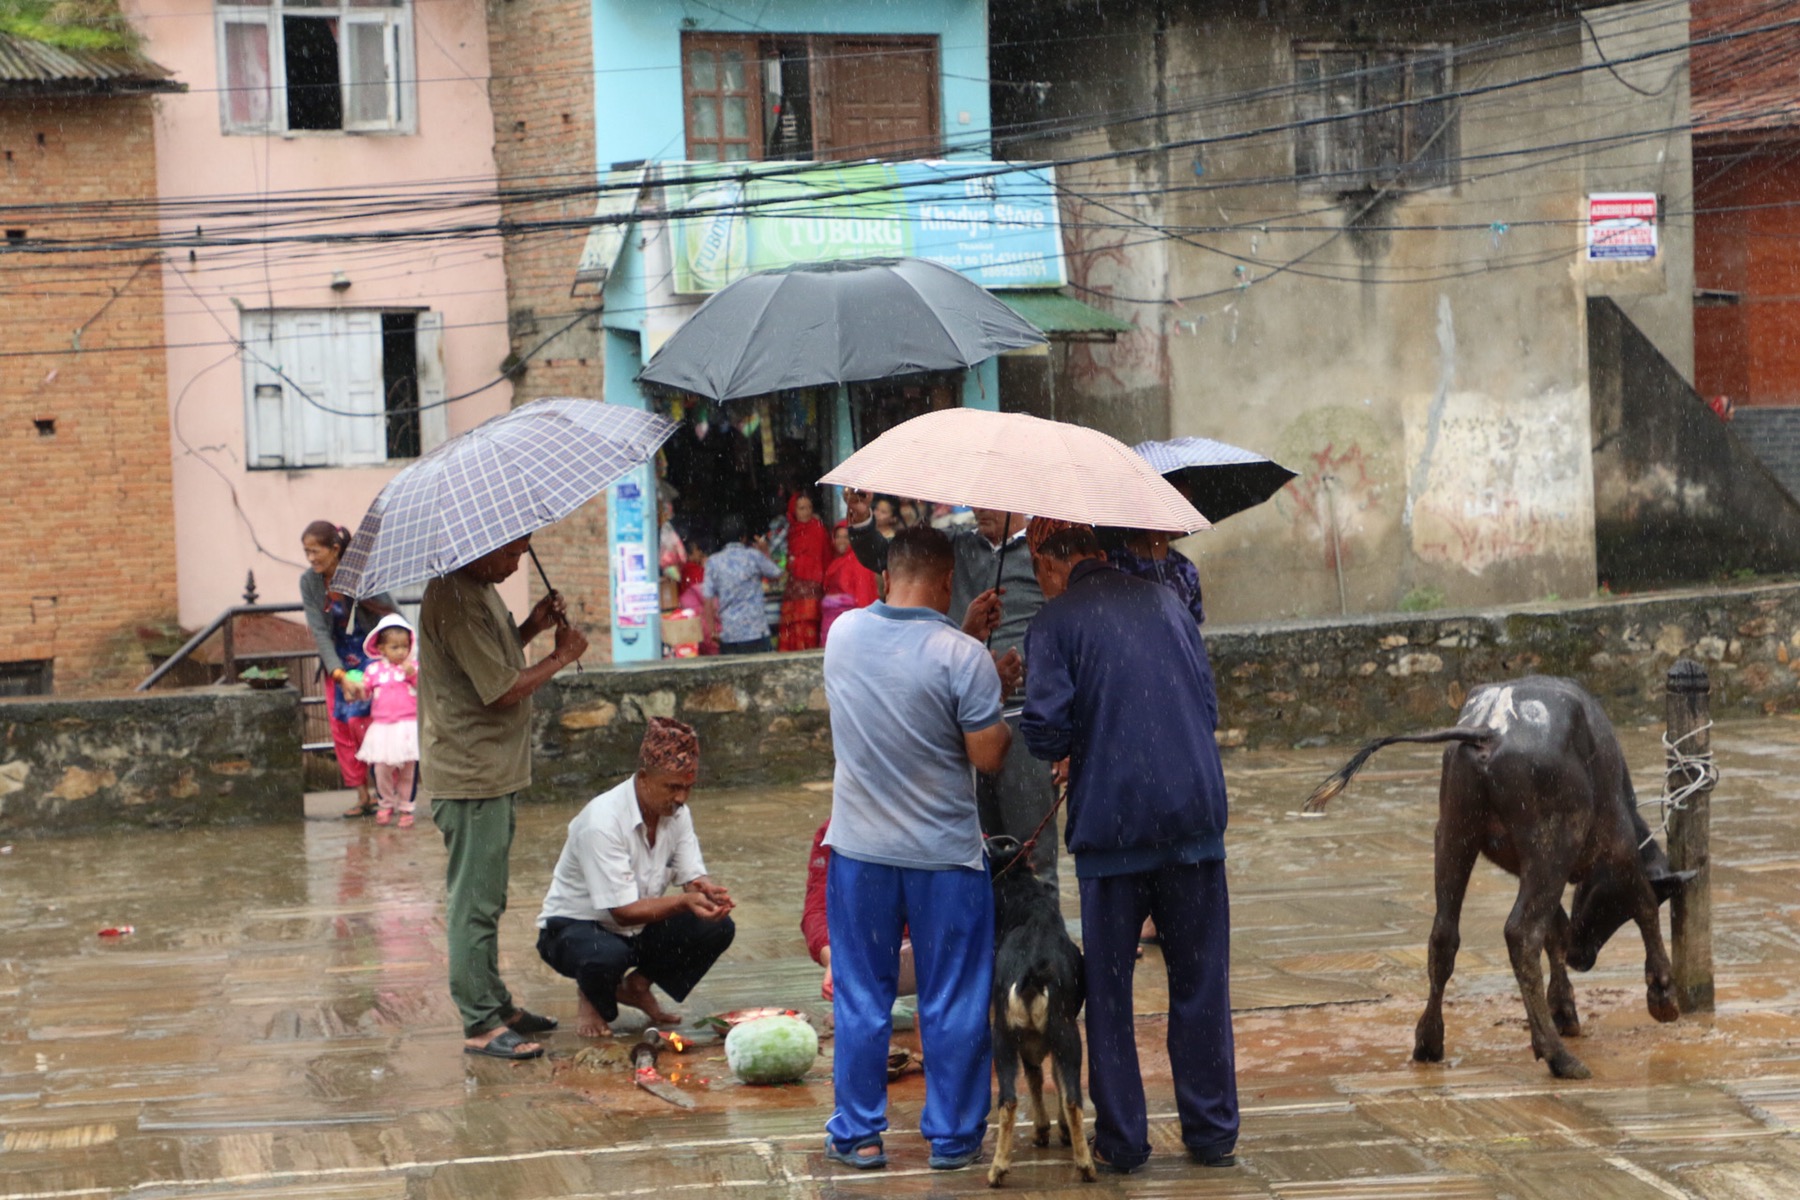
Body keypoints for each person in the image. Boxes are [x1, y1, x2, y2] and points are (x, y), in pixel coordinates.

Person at [1020, 524, 1238, 1174]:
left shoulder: (1054, 623)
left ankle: (1123, 1140)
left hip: (1114, 831)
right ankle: (1211, 1132)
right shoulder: (1169, 601)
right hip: (1193, 821)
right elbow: (1206, 706)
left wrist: (1072, 735)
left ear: (1049, 563)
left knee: (1109, 992)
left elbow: (1045, 728)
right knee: (1200, 983)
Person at [821, 525, 1012, 1173]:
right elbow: (987, 757)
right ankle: (954, 1139)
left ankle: (860, 1134)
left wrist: (968, 644)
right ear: (946, 578)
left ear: (887, 574)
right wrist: (993, 687)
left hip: (861, 852)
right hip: (944, 859)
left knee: (862, 996)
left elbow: (902, 677)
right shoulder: (963, 658)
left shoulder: (841, 636)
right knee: (953, 998)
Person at [420, 534, 589, 1061]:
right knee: (473, 902)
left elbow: (491, 658)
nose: (517, 563)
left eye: (523, 552)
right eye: (510, 553)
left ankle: (495, 1003)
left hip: (493, 767)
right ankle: (479, 1021)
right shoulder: (453, 598)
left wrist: (532, 628)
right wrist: (561, 655)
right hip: (472, 771)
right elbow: (500, 688)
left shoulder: (479, 586)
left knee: (487, 898)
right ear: (479, 544)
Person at [845, 494, 1050, 878]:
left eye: (992, 500)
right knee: (982, 846)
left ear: (1018, 500)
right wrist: (861, 523)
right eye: (977, 501)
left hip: (1025, 714)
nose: (980, 508)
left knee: (1030, 852)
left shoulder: (1041, 554)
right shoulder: (958, 546)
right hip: (963, 711)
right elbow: (890, 558)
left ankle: (1039, 936)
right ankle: (995, 934)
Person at [537, 718, 736, 1037]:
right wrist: (686, 900)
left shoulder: (677, 814)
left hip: (635, 931)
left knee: (717, 927)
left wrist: (706, 891)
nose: (682, 798)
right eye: (673, 787)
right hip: (574, 930)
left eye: (688, 787)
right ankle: (590, 995)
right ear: (643, 778)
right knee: (603, 955)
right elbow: (622, 912)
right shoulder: (601, 822)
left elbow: (691, 877)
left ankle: (637, 986)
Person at [299, 520, 396, 819]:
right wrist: (338, 675)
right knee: (342, 729)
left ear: (336, 549)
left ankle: (387, 795)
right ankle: (361, 795)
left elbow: (392, 616)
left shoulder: (363, 574)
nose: (311, 558)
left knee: (368, 726)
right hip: (337, 662)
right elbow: (319, 630)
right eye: (307, 552)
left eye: (316, 551)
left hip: (369, 658)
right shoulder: (310, 583)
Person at [802, 821, 916, 1002]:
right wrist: (835, 960)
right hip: (877, 953)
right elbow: (818, 910)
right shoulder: (834, 830)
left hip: (938, 948)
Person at [355, 614, 421, 829]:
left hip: (407, 727)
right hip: (382, 727)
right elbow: (365, 692)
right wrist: (357, 688)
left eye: (404, 646)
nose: (401, 651)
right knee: (381, 769)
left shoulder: (413, 667)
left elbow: (423, 688)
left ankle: (406, 807)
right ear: (381, 648)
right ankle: (385, 803)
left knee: (408, 770)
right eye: (395, 647)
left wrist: (413, 674)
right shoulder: (373, 670)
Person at [701, 513, 782, 655]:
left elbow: (707, 600)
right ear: (743, 537)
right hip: (756, 632)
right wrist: (765, 552)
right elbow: (776, 575)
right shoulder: (753, 556)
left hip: (729, 634)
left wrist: (713, 630)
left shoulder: (713, 562)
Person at [779, 494, 830, 651]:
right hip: (794, 590)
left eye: (809, 508)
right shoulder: (790, 532)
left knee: (809, 627)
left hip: (812, 588)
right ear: (793, 511)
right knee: (792, 627)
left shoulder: (818, 529)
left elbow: (826, 557)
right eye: (801, 508)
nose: (806, 512)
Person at [821, 522, 879, 644]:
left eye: (846, 537)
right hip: (830, 624)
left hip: (848, 625)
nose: (841, 541)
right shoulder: (835, 562)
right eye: (838, 537)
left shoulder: (858, 562)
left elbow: (863, 598)